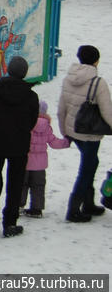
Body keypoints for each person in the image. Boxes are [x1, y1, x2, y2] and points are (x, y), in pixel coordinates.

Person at [0, 55, 39, 238]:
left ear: (8, 70)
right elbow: (31, 121)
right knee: (15, 183)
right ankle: (10, 223)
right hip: (19, 146)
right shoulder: (31, 96)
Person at [58, 45, 112, 222]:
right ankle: (74, 209)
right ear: (96, 61)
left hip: (74, 130)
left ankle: (88, 202)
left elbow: (61, 108)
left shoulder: (68, 78)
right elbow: (107, 111)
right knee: (87, 169)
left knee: (92, 162)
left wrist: (64, 131)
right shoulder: (98, 83)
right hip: (90, 133)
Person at [21, 100, 70, 218]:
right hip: (40, 165)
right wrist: (67, 142)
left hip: (25, 162)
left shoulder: (26, 123)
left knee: (22, 184)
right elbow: (53, 142)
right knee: (38, 186)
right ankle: (36, 209)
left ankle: (18, 205)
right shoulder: (46, 127)